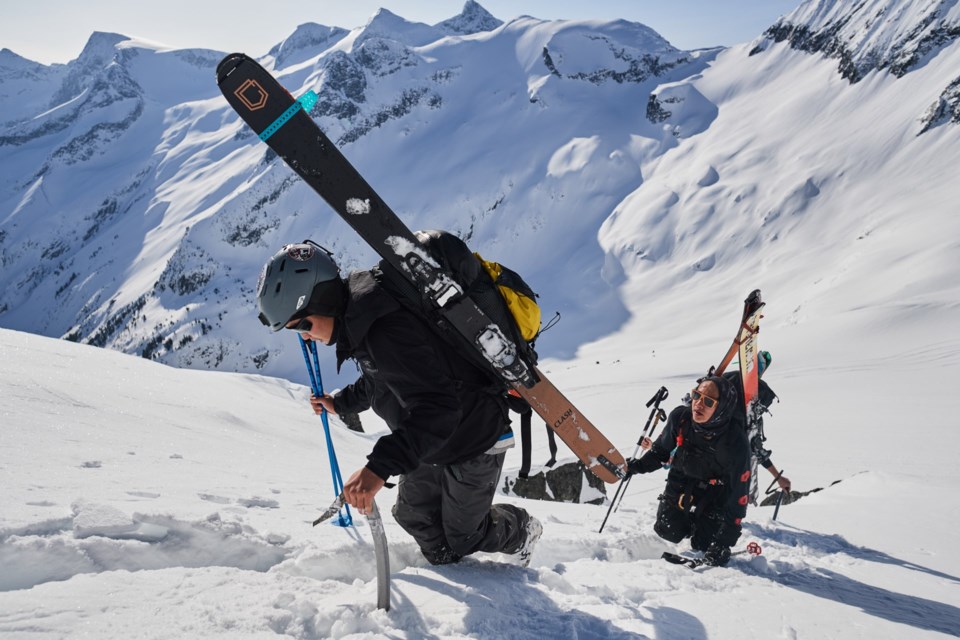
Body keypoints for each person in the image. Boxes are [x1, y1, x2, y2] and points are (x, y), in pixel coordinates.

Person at [255, 240, 542, 566]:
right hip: (429, 441)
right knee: (414, 516)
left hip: (473, 437)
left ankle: (521, 530)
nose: (305, 337)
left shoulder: (382, 328)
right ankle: (456, 569)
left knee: (464, 536)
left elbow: (438, 407)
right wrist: (340, 403)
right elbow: (383, 379)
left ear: (321, 300)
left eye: (302, 325)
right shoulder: (362, 316)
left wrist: (378, 468)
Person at [627, 375, 751, 566]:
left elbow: (739, 496)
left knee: (704, 544)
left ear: (722, 407)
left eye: (708, 401)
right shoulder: (681, 418)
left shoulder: (736, 442)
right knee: (667, 530)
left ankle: (702, 525)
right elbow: (660, 452)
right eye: (696, 395)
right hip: (682, 479)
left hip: (717, 491)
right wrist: (635, 467)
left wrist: (724, 542)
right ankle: (689, 522)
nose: (698, 404)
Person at [723, 351, 791, 496]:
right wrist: (777, 477)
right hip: (730, 472)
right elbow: (756, 447)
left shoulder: (722, 384)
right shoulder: (750, 416)